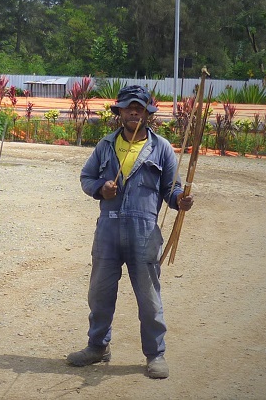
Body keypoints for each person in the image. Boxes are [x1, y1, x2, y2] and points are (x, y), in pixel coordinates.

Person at [67, 85, 193, 379]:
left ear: (147, 112)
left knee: (149, 299)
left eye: (139, 107)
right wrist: (101, 188)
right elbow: (87, 177)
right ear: (120, 112)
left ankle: (155, 354)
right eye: (128, 107)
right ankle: (97, 347)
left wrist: (179, 200)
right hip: (108, 229)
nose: (134, 111)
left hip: (144, 232)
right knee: (100, 294)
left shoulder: (161, 148)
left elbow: (171, 188)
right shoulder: (105, 146)